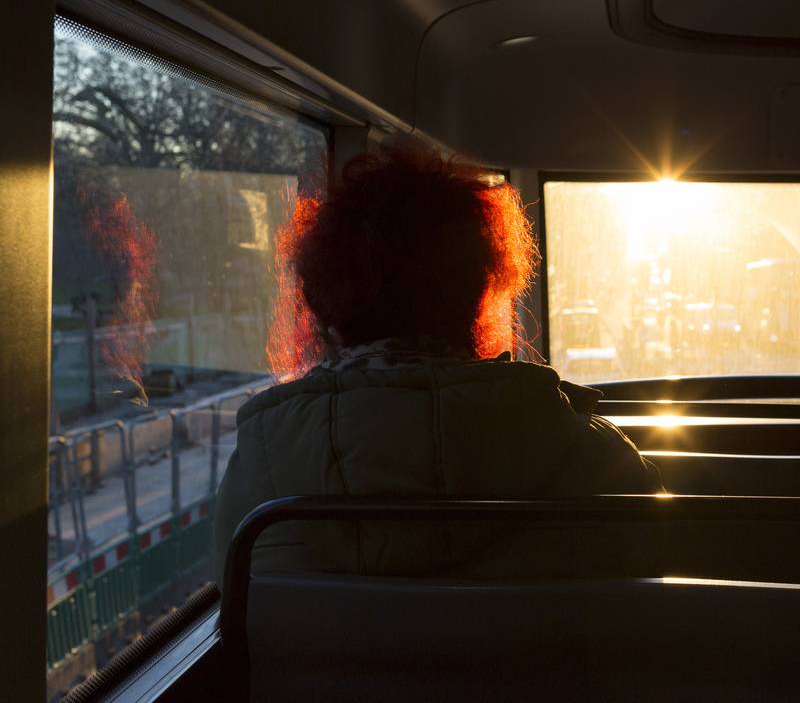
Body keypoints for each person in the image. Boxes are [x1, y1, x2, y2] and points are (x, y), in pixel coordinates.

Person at [214, 143, 661, 585]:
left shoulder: (259, 470)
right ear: (476, 292)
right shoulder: (590, 453)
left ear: (325, 301)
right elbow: (655, 587)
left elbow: (235, 609)